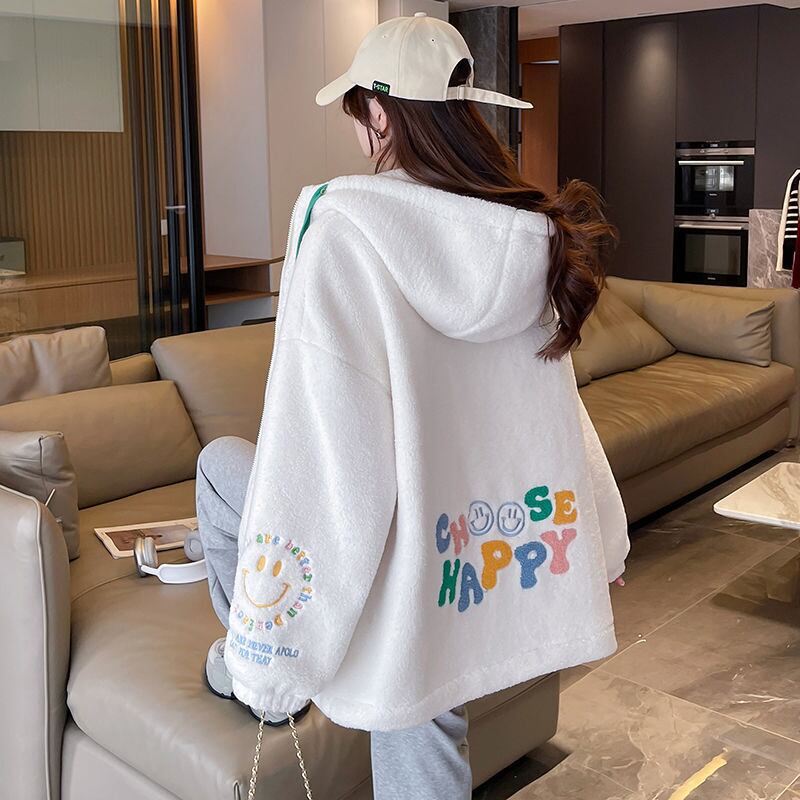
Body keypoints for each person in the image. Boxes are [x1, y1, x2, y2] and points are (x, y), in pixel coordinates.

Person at [196, 12, 629, 800]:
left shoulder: (341, 228)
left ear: (380, 112)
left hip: (397, 539)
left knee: (226, 472)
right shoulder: (525, 232)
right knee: (422, 650)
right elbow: (552, 407)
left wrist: (272, 654)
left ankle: (251, 672)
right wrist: (601, 541)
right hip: (475, 539)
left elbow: (324, 446)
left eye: (355, 109)